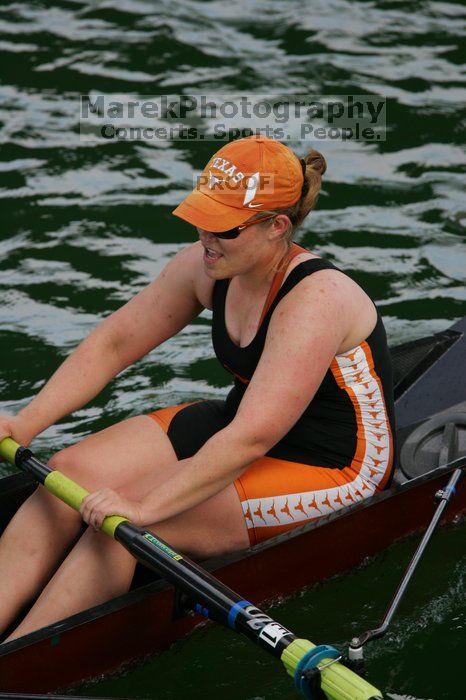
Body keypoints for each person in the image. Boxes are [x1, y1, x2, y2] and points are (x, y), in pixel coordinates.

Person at [0, 135, 395, 642]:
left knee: (121, 526)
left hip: (334, 464)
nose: (206, 236)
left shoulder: (318, 299)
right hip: (243, 422)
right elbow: (115, 343)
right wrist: (26, 422)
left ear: (277, 227)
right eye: (201, 216)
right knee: (65, 477)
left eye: (224, 226)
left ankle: (20, 659)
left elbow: (253, 436)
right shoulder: (209, 264)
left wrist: (144, 509)